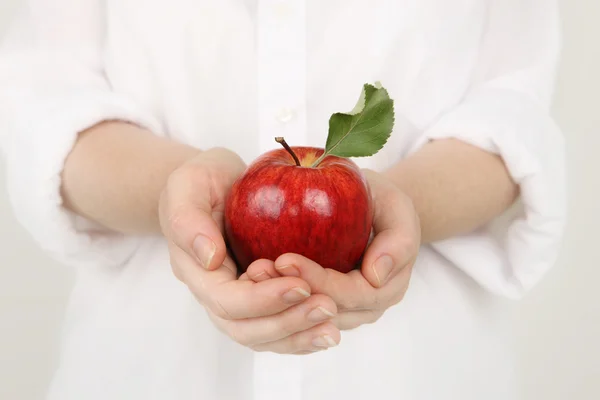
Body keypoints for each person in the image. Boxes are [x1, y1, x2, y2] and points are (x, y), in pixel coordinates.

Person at [0, 0, 566, 399]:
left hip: (419, 371)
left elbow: (511, 110)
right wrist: (181, 194)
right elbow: (47, 109)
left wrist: (392, 208)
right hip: (150, 366)